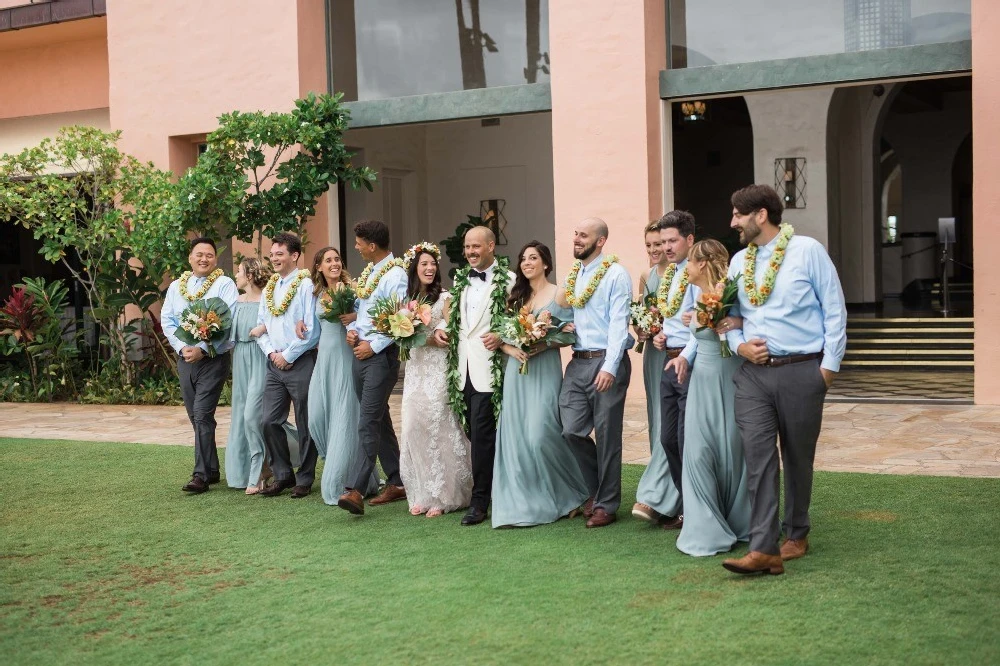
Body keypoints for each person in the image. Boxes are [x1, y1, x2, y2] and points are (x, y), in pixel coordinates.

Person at [721, 184, 847, 576]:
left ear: (761, 215)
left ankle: (797, 532)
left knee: (797, 458)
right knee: (758, 458)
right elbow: (730, 316)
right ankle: (764, 547)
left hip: (802, 370)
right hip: (754, 376)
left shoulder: (807, 250)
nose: (732, 222)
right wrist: (738, 346)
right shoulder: (739, 261)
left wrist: (827, 369)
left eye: (738, 214)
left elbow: (834, 310)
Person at [492, 242, 589, 528]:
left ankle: (572, 492)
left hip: (544, 371)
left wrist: (542, 343)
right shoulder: (515, 295)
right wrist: (511, 350)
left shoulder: (559, 293)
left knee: (541, 434)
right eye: (523, 259)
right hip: (517, 373)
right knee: (518, 439)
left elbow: (571, 334)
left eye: (533, 258)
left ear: (546, 263)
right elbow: (501, 336)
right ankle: (523, 503)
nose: (527, 263)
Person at [667, 240, 750, 556]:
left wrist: (730, 323)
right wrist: (684, 358)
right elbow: (696, 338)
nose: (685, 268)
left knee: (730, 447)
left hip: (728, 376)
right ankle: (705, 527)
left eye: (689, 261)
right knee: (698, 450)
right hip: (700, 379)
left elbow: (749, 323)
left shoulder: (728, 291)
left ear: (702, 263)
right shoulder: (701, 296)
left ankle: (739, 520)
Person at [432, 226, 514, 526]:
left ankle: (480, 502)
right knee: (469, 431)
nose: (470, 252)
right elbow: (456, 320)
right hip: (461, 368)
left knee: (482, 436)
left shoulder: (510, 280)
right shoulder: (461, 278)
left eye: (475, 246)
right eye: (467, 247)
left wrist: (501, 333)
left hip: (489, 368)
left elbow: (519, 318)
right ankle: (487, 489)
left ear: (491, 246)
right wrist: (442, 331)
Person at [559, 218, 633, 528]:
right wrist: (562, 326)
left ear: (600, 241)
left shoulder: (616, 274)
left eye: (583, 235)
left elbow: (619, 326)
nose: (576, 239)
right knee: (570, 430)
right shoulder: (574, 274)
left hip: (606, 360)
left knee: (607, 436)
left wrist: (610, 367)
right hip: (577, 361)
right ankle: (594, 490)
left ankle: (606, 504)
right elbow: (566, 309)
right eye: (575, 234)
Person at [336, 220, 409, 515]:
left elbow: (399, 320)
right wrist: (354, 330)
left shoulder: (396, 275)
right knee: (377, 419)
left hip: (380, 358)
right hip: (360, 352)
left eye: (358, 242)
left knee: (367, 420)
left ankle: (356, 489)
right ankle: (397, 481)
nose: (355, 247)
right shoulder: (370, 273)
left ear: (372, 245)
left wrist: (373, 345)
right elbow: (367, 314)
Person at [398, 242, 473, 517]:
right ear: (414, 269)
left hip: (439, 371)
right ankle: (422, 493)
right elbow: (401, 336)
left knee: (440, 427)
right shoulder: (405, 303)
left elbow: (454, 330)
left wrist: (438, 334)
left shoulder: (445, 297)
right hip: (415, 371)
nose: (430, 268)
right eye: (424, 264)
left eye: (432, 264)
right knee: (413, 427)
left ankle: (446, 495)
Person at [304, 246, 380, 505]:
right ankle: (340, 463)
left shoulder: (352, 290)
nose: (335, 263)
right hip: (323, 361)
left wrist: (355, 316)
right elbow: (314, 331)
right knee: (316, 415)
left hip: (346, 358)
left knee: (344, 417)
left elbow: (369, 316)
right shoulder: (316, 293)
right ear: (319, 267)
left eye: (337, 259)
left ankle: (341, 481)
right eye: (329, 260)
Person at [161, 237, 238, 494]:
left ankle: (201, 476)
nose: (204, 259)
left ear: (215, 259)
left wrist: (203, 349)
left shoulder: (224, 284)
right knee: (196, 417)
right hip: (185, 359)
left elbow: (229, 321)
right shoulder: (176, 286)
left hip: (214, 358)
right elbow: (168, 320)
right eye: (199, 254)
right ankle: (212, 469)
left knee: (203, 413)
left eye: (209, 255)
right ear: (190, 258)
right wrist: (183, 348)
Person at [256, 232, 321, 498]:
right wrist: (272, 353)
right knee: (268, 420)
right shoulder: (270, 287)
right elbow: (263, 326)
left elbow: (312, 329)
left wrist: (289, 355)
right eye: (272, 255)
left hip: (300, 361)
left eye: (279, 254)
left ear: (294, 256)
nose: (274, 259)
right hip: (274, 363)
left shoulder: (306, 285)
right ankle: (282, 474)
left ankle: (304, 478)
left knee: (306, 422)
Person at [225, 258, 298, 494]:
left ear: (249, 274)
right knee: (241, 416)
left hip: (259, 357)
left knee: (251, 416)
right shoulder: (236, 301)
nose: (236, 275)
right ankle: (254, 469)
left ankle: (259, 470)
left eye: (239, 272)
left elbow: (278, 320)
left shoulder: (268, 297)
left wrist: (264, 328)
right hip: (240, 359)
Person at [649, 211, 699, 528]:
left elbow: (700, 324)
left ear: (689, 240)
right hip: (668, 360)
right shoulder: (670, 275)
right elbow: (672, 319)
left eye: (672, 240)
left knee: (685, 439)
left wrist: (686, 357)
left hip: (689, 364)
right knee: (667, 439)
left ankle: (694, 509)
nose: (666, 247)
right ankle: (684, 501)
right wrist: (660, 335)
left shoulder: (696, 273)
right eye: (663, 241)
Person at [632, 219, 683, 526]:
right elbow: (639, 318)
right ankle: (664, 495)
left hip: (676, 352)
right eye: (649, 245)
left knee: (672, 421)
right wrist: (643, 330)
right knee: (656, 419)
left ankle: (666, 495)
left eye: (659, 244)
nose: (654, 250)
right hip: (652, 353)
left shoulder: (682, 273)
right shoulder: (646, 275)